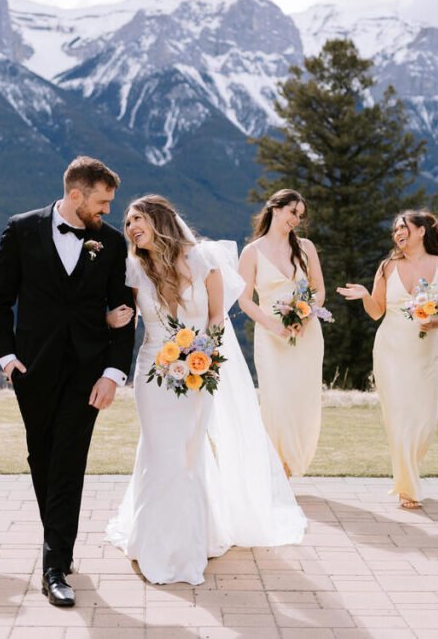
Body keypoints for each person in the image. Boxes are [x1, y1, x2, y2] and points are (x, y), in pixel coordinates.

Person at [105, 195, 305, 586]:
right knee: (161, 450)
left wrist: (205, 353)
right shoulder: (134, 268)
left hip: (199, 369)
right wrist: (111, 319)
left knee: (188, 453)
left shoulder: (203, 261)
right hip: (152, 371)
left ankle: (192, 535)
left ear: (160, 220)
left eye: (136, 219)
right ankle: (157, 542)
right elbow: (126, 321)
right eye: (127, 222)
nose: (130, 227)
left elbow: (216, 317)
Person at [0, 155, 136, 607]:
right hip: (32, 369)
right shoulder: (21, 229)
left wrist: (113, 373)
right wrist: (8, 358)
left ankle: (54, 564)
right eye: (103, 202)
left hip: (88, 373)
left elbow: (124, 314)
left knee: (69, 461)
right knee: (42, 457)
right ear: (76, 195)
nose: (109, 211)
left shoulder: (110, 242)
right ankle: (59, 543)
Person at [337, 211, 438, 509]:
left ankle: (410, 471)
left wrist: (435, 321)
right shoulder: (387, 267)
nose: (397, 233)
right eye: (394, 230)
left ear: (421, 231)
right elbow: (377, 311)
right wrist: (366, 294)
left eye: (403, 228)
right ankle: (407, 485)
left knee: (425, 418)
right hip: (390, 349)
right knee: (399, 416)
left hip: (427, 350)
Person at [237, 190, 325, 477]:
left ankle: (290, 463)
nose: (296, 220)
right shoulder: (252, 252)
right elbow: (244, 300)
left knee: (303, 399)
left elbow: (319, 290)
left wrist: (307, 315)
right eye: (292, 212)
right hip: (270, 335)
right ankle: (275, 465)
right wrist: (273, 325)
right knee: (275, 399)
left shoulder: (306, 248)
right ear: (275, 209)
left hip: (306, 335)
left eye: (300, 215)